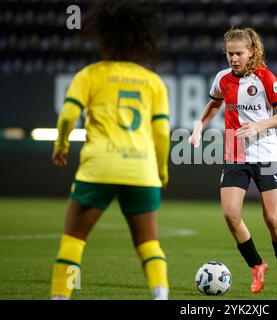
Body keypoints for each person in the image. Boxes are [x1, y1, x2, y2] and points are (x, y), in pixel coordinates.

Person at [50, 0, 170, 300]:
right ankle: (161, 296)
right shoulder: (154, 82)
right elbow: (162, 133)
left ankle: (60, 297)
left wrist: (61, 145)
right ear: (143, 40)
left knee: (73, 242)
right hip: (141, 170)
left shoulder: (89, 75)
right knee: (148, 244)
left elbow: (67, 116)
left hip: (99, 167)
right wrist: (162, 169)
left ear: (104, 37)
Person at [188, 27, 277, 296]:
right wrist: (199, 125)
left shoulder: (265, 78)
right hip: (235, 155)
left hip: (267, 155)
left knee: (272, 218)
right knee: (230, 214)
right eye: (230, 54)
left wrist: (259, 126)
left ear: (252, 52)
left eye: (239, 53)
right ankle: (257, 265)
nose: (234, 59)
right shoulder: (222, 79)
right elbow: (215, 103)